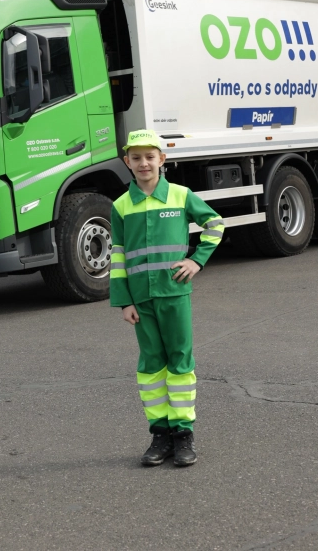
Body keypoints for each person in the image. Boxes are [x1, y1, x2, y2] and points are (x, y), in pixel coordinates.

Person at [110, 129, 224, 467]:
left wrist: (196, 260)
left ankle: (183, 435)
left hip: (174, 294)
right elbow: (117, 256)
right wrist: (124, 300)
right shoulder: (120, 206)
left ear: (162, 159)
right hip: (141, 301)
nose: (143, 163)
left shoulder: (181, 195)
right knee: (150, 368)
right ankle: (159, 435)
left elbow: (215, 224)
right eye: (136, 157)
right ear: (127, 162)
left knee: (179, 363)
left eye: (150, 156)